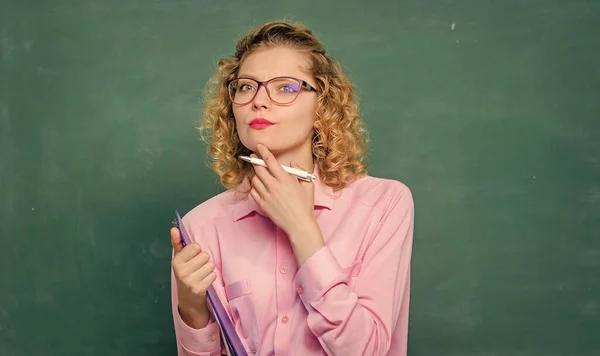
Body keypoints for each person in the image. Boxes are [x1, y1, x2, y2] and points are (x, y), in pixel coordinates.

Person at [170, 20, 414, 356]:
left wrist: (302, 228)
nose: (259, 101)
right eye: (246, 87)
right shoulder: (201, 228)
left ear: (322, 107)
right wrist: (193, 310)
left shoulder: (384, 204)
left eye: (285, 88)